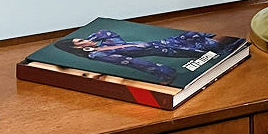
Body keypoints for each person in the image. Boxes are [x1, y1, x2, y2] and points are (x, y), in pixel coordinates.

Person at [64, 29, 230, 85]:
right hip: (171, 49)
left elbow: (107, 33)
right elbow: (132, 62)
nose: (86, 40)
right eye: (81, 41)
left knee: (199, 34)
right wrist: (163, 73)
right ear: (76, 47)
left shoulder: (105, 44)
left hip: (167, 41)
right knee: (211, 44)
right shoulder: (99, 54)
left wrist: (90, 40)